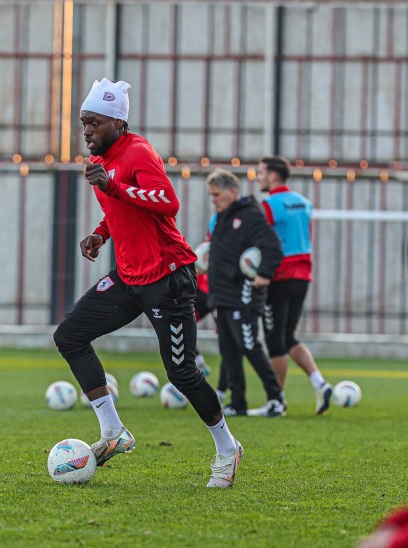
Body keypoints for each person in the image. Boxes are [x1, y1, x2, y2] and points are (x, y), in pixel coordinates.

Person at [53, 78, 243, 488]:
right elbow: (121, 208)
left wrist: (114, 185)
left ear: (118, 124)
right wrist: (101, 233)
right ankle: (113, 432)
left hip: (167, 277)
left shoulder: (137, 152)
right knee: (69, 335)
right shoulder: (105, 161)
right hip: (129, 276)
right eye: (83, 122)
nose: (86, 130)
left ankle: (227, 449)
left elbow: (166, 202)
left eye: (94, 123)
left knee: (182, 374)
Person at [205, 169, 286, 418]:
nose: (214, 200)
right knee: (229, 350)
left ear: (232, 192)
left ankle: (276, 399)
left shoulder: (250, 215)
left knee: (250, 346)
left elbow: (273, 246)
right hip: (221, 294)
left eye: (217, 194)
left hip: (244, 294)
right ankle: (237, 402)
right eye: (211, 195)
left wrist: (264, 274)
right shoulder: (222, 218)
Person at [258, 155, 333, 415]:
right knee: (288, 336)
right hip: (303, 277)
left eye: (262, 173)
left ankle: (276, 401)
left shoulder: (268, 205)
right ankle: (319, 383)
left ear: (274, 176)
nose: (259, 177)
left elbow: (261, 241)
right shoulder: (305, 204)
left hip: (278, 277)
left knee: (274, 340)